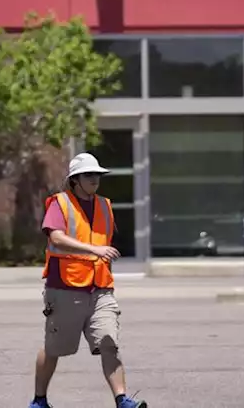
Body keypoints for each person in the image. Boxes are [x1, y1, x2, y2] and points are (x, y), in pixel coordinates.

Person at [28, 152, 146, 408]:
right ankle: (39, 400)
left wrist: (101, 253)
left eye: (97, 175)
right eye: (89, 175)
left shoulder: (104, 204)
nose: (95, 180)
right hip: (65, 288)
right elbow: (56, 238)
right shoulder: (60, 203)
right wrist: (94, 250)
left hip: (100, 287)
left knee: (109, 343)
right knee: (54, 349)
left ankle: (122, 400)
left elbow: (102, 239)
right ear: (75, 180)